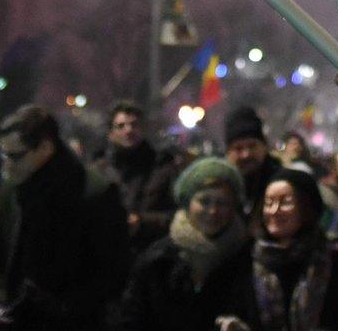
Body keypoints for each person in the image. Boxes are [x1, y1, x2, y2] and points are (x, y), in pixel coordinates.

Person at [0, 104, 132, 331]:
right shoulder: (12, 189)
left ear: (46, 147)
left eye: (15, 155)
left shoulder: (96, 192)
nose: (7, 164)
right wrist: (3, 299)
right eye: (4, 155)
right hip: (16, 318)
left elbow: (113, 269)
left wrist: (68, 306)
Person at [221, 164, 338, 331]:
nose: (274, 210)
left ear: (307, 208)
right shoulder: (244, 261)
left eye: (285, 202)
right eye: (269, 202)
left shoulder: (336, 259)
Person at [116, 157, 252, 331]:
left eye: (222, 203)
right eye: (204, 201)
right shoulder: (158, 260)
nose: (213, 211)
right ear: (188, 203)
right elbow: (131, 319)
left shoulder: (246, 257)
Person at [101, 101, 185, 255]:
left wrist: (142, 222)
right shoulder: (101, 172)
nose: (128, 130)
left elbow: (179, 214)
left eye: (134, 124)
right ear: (110, 133)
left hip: (153, 255)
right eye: (121, 126)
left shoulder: (164, 168)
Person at [226, 108, 274, 216]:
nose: (246, 154)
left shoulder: (281, 182)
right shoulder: (223, 186)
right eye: (238, 148)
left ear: (264, 147)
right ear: (228, 153)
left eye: (252, 146)